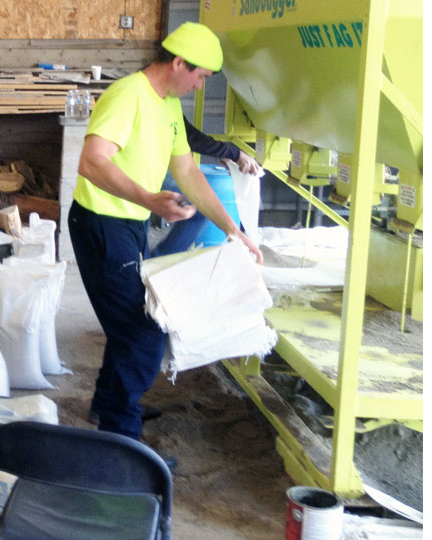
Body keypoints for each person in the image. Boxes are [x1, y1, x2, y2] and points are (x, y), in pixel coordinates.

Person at [70, 23, 263, 452]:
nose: (199, 85)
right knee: (144, 331)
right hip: (100, 224)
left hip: (130, 222)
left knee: (131, 323)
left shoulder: (169, 106)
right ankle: (122, 441)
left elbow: (189, 173)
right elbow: (91, 162)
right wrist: (149, 199)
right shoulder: (128, 95)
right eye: (199, 76)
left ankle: (109, 404)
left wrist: (235, 231)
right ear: (178, 62)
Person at [153, 115, 263, 256]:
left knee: (197, 209)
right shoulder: (140, 98)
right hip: (144, 175)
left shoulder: (171, 103)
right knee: (195, 210)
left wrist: (232, 229)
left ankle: (160, 261)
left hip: (156, 169)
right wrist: (232, 153)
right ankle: (160, 260)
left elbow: (187, 138)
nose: (198, 90)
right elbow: (191, 137)